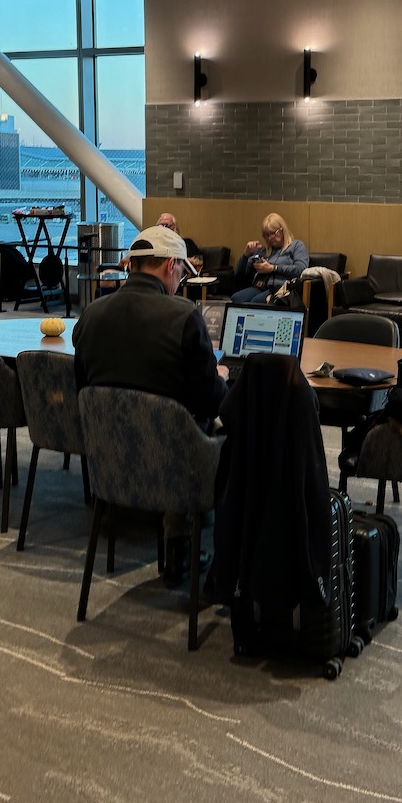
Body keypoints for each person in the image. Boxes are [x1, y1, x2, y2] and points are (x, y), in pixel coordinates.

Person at [71, 224, 227, 588]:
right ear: (171, 265)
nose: (180, 284)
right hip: (174, 466)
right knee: (228, 433)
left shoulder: (90, 315)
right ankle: (189, 550)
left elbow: (84, 390)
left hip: (110, 464)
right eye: (181, 274)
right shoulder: (184, 316)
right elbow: (211, 401)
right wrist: (218, 376)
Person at [230, 212, 309, 305]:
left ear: (282, 230)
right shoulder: (263, 250)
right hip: (260, 286)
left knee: (256, 302)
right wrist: (246, 255)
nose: (270, 238)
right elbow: (240, 275)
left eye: (272, 233)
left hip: (282, 289)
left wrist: (273, 268)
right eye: (266, 235)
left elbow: (301, 269)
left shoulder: (296, 246)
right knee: (237, 298)